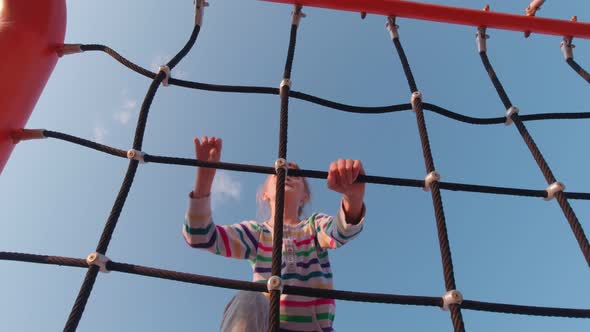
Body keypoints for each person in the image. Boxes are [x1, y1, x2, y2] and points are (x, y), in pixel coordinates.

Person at [184, 136, 366, 332]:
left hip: (314, 329)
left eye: (295, 174)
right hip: (269, 326)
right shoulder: (257, 233)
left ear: (305, 195)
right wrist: (204, 180)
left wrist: (353, 197)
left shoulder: (314, 227)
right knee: (249, 298)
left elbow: (341, 232)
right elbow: (200, 235)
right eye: (277, 173)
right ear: (265, 194)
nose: (286, 173)